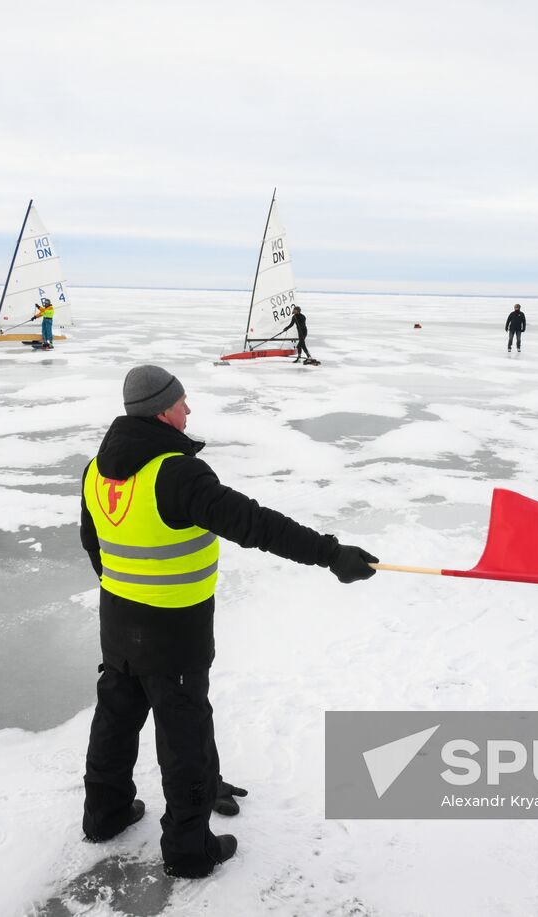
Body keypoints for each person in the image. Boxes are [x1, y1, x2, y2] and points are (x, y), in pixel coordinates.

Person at [78, 365, 378, 879]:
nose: (189, 410)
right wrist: (332, 555)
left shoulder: (96, 469)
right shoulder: (176, 472)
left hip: (119, 623)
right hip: (174, 632)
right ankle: (190, 852)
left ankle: (104, 816)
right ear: (162, 410)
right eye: (183, 402)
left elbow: (94, 544)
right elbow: (255, 523)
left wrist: (125, 595)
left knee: (116, 719)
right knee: (185, 738)